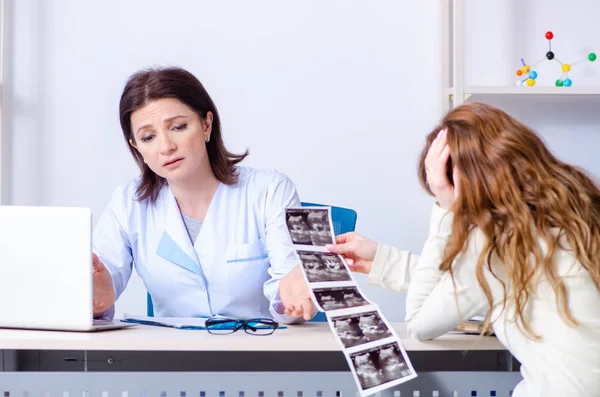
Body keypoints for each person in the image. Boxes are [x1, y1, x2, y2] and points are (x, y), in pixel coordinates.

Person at [327, 102, 600, 396]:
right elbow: (467, 287)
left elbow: (420, 320)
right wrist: (383, 260)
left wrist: (445, 211)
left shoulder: (494, 242)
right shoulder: (576, 218)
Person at [92, 66, 315, 324]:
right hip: (172, 358)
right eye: (149, 137)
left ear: (206, 124)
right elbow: (97, 284)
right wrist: (96, 299)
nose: (166, 147)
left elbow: (292, 290)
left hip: (261, 353)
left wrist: (295, 294)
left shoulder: (272, 191)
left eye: (178, 127)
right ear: (136, 146)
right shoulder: (128, 204)